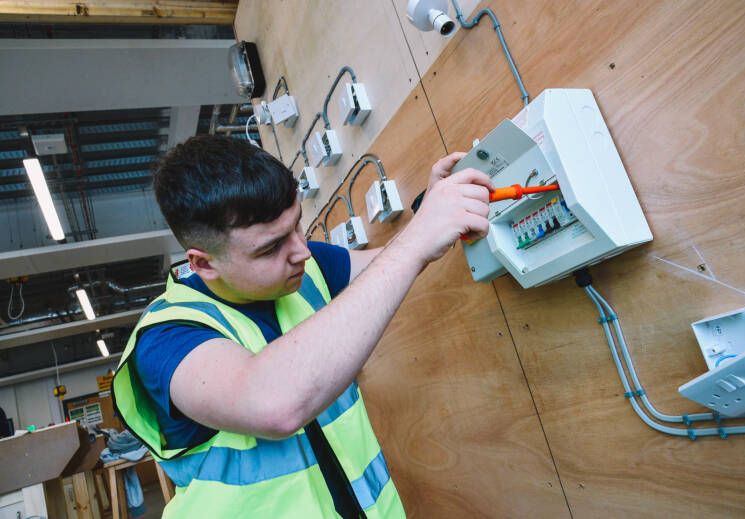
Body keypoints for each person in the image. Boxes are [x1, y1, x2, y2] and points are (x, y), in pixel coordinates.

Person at [112, 135, 493, 518]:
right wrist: (416, 240)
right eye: (270, 248)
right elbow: (274, 404)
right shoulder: (166, 337)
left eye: (297, 225)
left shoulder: (305, 270)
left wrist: (433, 211)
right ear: (204, 264)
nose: (302, 251)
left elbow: (388, 268)